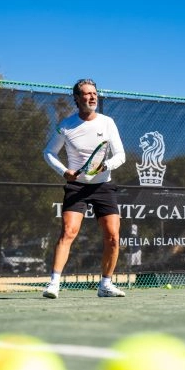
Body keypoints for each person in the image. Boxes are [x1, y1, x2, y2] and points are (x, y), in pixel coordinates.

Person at [42, 78, 126, 299]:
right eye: (87, 94)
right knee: (68, 232)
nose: (92, 97)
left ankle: (105, 285)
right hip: (77, 187)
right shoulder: (66, 126)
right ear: (77, 99)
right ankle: (54, 284)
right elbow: (48, 152)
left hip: (103, 186)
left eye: (95, 93)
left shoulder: (108, 122)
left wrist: (105, 165)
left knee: (113, 237)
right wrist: (64, 172)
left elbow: (121, 155)